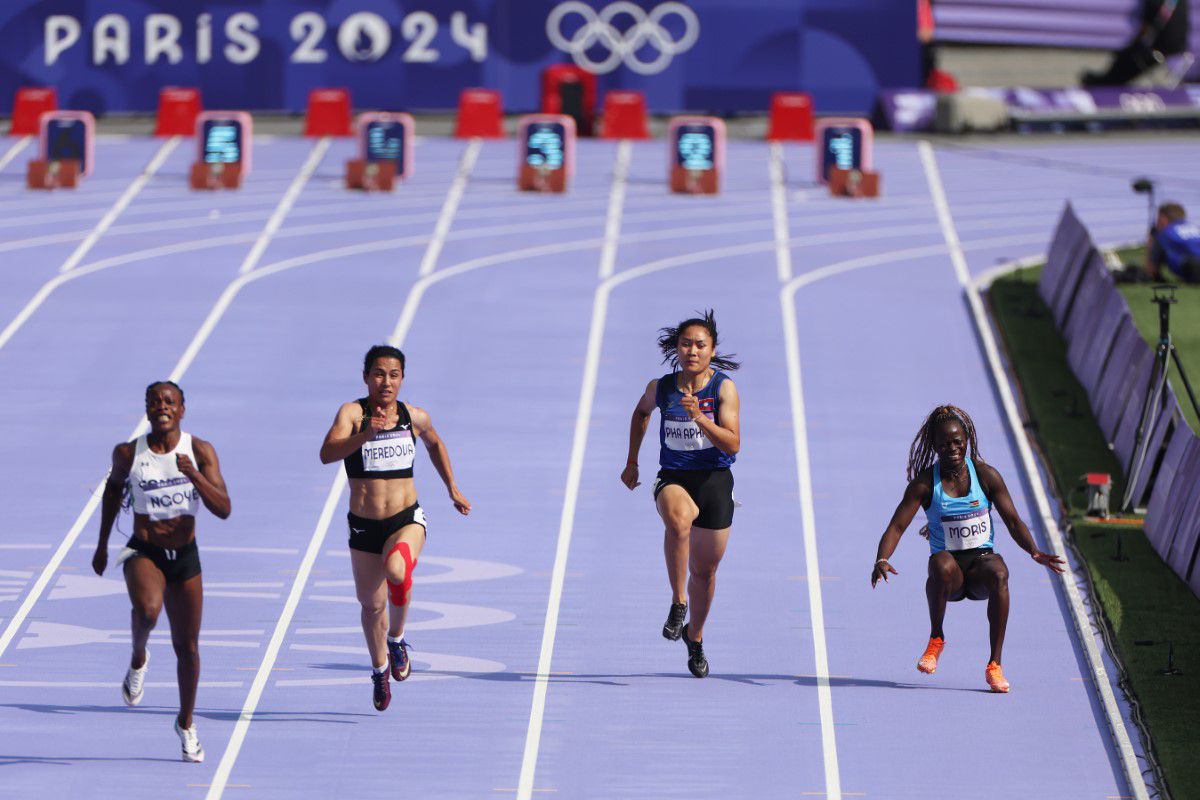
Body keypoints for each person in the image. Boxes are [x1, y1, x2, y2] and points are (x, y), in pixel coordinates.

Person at [870, 405, 1065, 692]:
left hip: (979, 570)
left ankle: (994, 666)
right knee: (940, 563)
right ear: (935, 446)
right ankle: (936, 639)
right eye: (945, 444)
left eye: (958, 442)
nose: (953, 448)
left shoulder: (986, 476)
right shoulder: (925, 484)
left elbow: (1013, 520)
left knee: (999, 571)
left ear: (967, 441)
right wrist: (882, 558)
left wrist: (1033, 551)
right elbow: (897, 526)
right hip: (950, 579)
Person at [319, 344, 470, 710]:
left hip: (405, 519)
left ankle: (398, 639)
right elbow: (326, 454)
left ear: (402, 379)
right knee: (371, 605)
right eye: (379, 374)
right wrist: (364, 437)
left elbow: (435, 443)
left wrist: (451, 486)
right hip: (364, 527)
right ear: (366, 377)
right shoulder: (352, 414)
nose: (386, 382)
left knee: (397, 569)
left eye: (394, 375)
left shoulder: (413, 416)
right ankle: (379, 669)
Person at [92, 381, 232, 762]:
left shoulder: (199, 451)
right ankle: (138, 657)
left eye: (169, 401)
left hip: (185, 556)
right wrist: (103, 544)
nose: (162, 406)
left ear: (182, 409)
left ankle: (186, 723)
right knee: (149, 610)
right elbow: (111, 493)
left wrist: (194, 476)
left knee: (187, 648)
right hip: (144, 550)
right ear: (147, 409)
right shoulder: (128, 453)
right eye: (154, 402)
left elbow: (224, 508)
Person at [621, 310, 741, 678]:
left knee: (705, 572)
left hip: (715, 481)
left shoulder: (723, 388)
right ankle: (678, 602)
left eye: (700, 345)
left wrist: (701, 418)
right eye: (686, 344)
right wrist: (632, 461)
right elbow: (641, 413)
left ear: (712, 350)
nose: (692, 351)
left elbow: (734, 444)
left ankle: (696, 636)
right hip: (673, 477)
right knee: (678, 520)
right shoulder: (662, 388)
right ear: (676, 348)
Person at [1083, 0, 1190, 86]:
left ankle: (1106, 85)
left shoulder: (1154, 2)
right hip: (1180, 48)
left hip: (1161, 51)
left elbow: (1145, 31)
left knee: (1129, 56)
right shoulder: (1178, 2)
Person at [1147, 202, 1200, 284]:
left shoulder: (1164, 234)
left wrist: (1151, 240)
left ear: (1163, 219)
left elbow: (1151, 270)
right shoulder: (1195, 228)